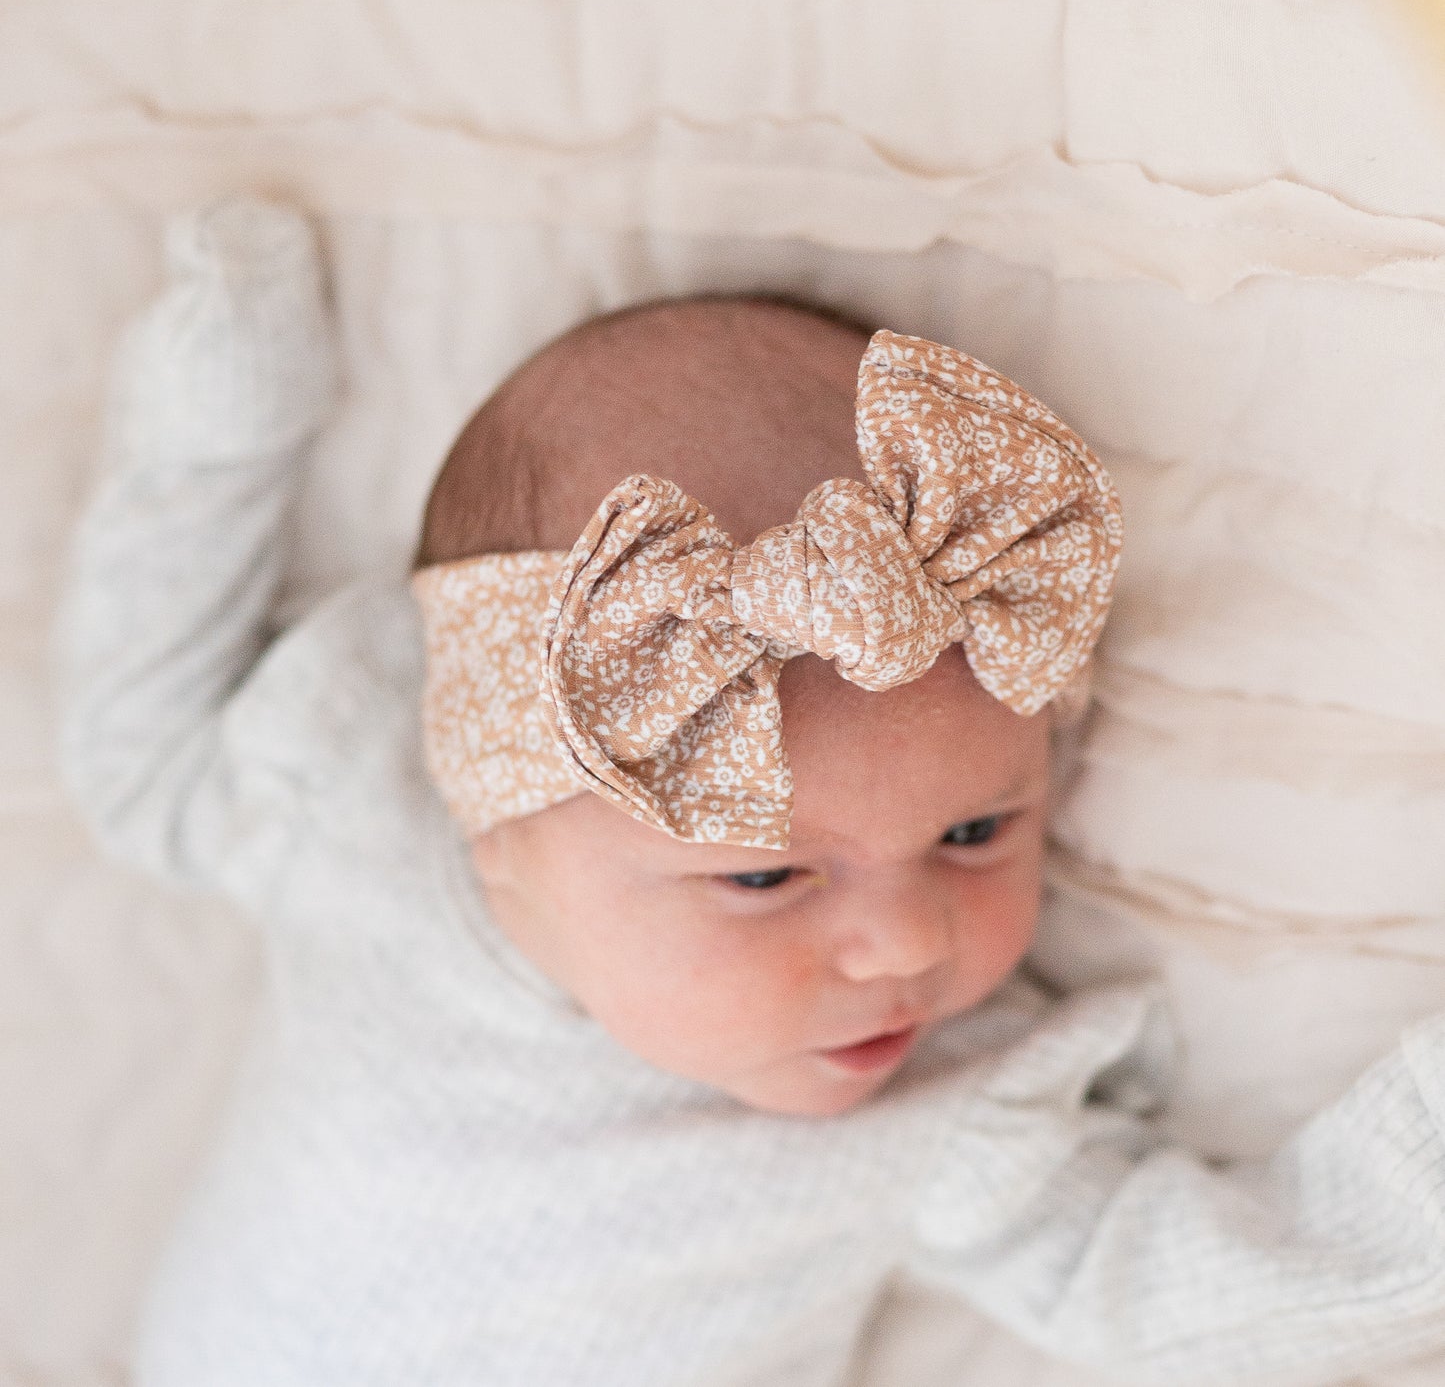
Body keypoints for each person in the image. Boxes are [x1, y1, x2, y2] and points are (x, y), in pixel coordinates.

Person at [55, 197, 1445, 1387]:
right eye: (763, 873)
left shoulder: (935, 1113)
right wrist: (213, 436)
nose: (907, 943)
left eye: (974, 829)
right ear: (500, 830)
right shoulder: (358, 808)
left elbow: (1201, 1290)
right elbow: (139, 755)